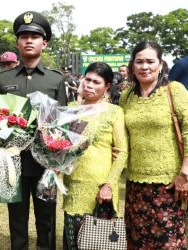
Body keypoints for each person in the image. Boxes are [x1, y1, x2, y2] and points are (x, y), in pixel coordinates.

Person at [0, 11, 67, 250]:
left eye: (34, 36)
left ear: (43, 43)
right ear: (17, 42)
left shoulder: (56, 80)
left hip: (45, 166)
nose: (28, 40)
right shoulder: (2, 79)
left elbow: (62, 123)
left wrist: (57, 159)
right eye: (23, 35)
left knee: (46, 221)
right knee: (17, 221)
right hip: (13, 162)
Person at [119, 41, 188, 249]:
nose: (144, 66)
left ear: (160, 64)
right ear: (132, 65)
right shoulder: (126, 97)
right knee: (137, 242)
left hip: (170, 185)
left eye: (150, 61)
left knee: (167, 243)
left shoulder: (174, 90)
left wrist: (186, 174)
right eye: (139, 61)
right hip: (135, 185)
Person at [63, 62, 128, 249]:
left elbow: (122, 152)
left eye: (96, 82)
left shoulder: (114, 112)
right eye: (88, 80)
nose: (89, 85)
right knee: (73, 240)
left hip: (101, 188)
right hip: (74, 184)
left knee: (99, 241)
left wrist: (109, 185)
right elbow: (61, 146)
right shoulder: (71, 108)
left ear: (107, 86)